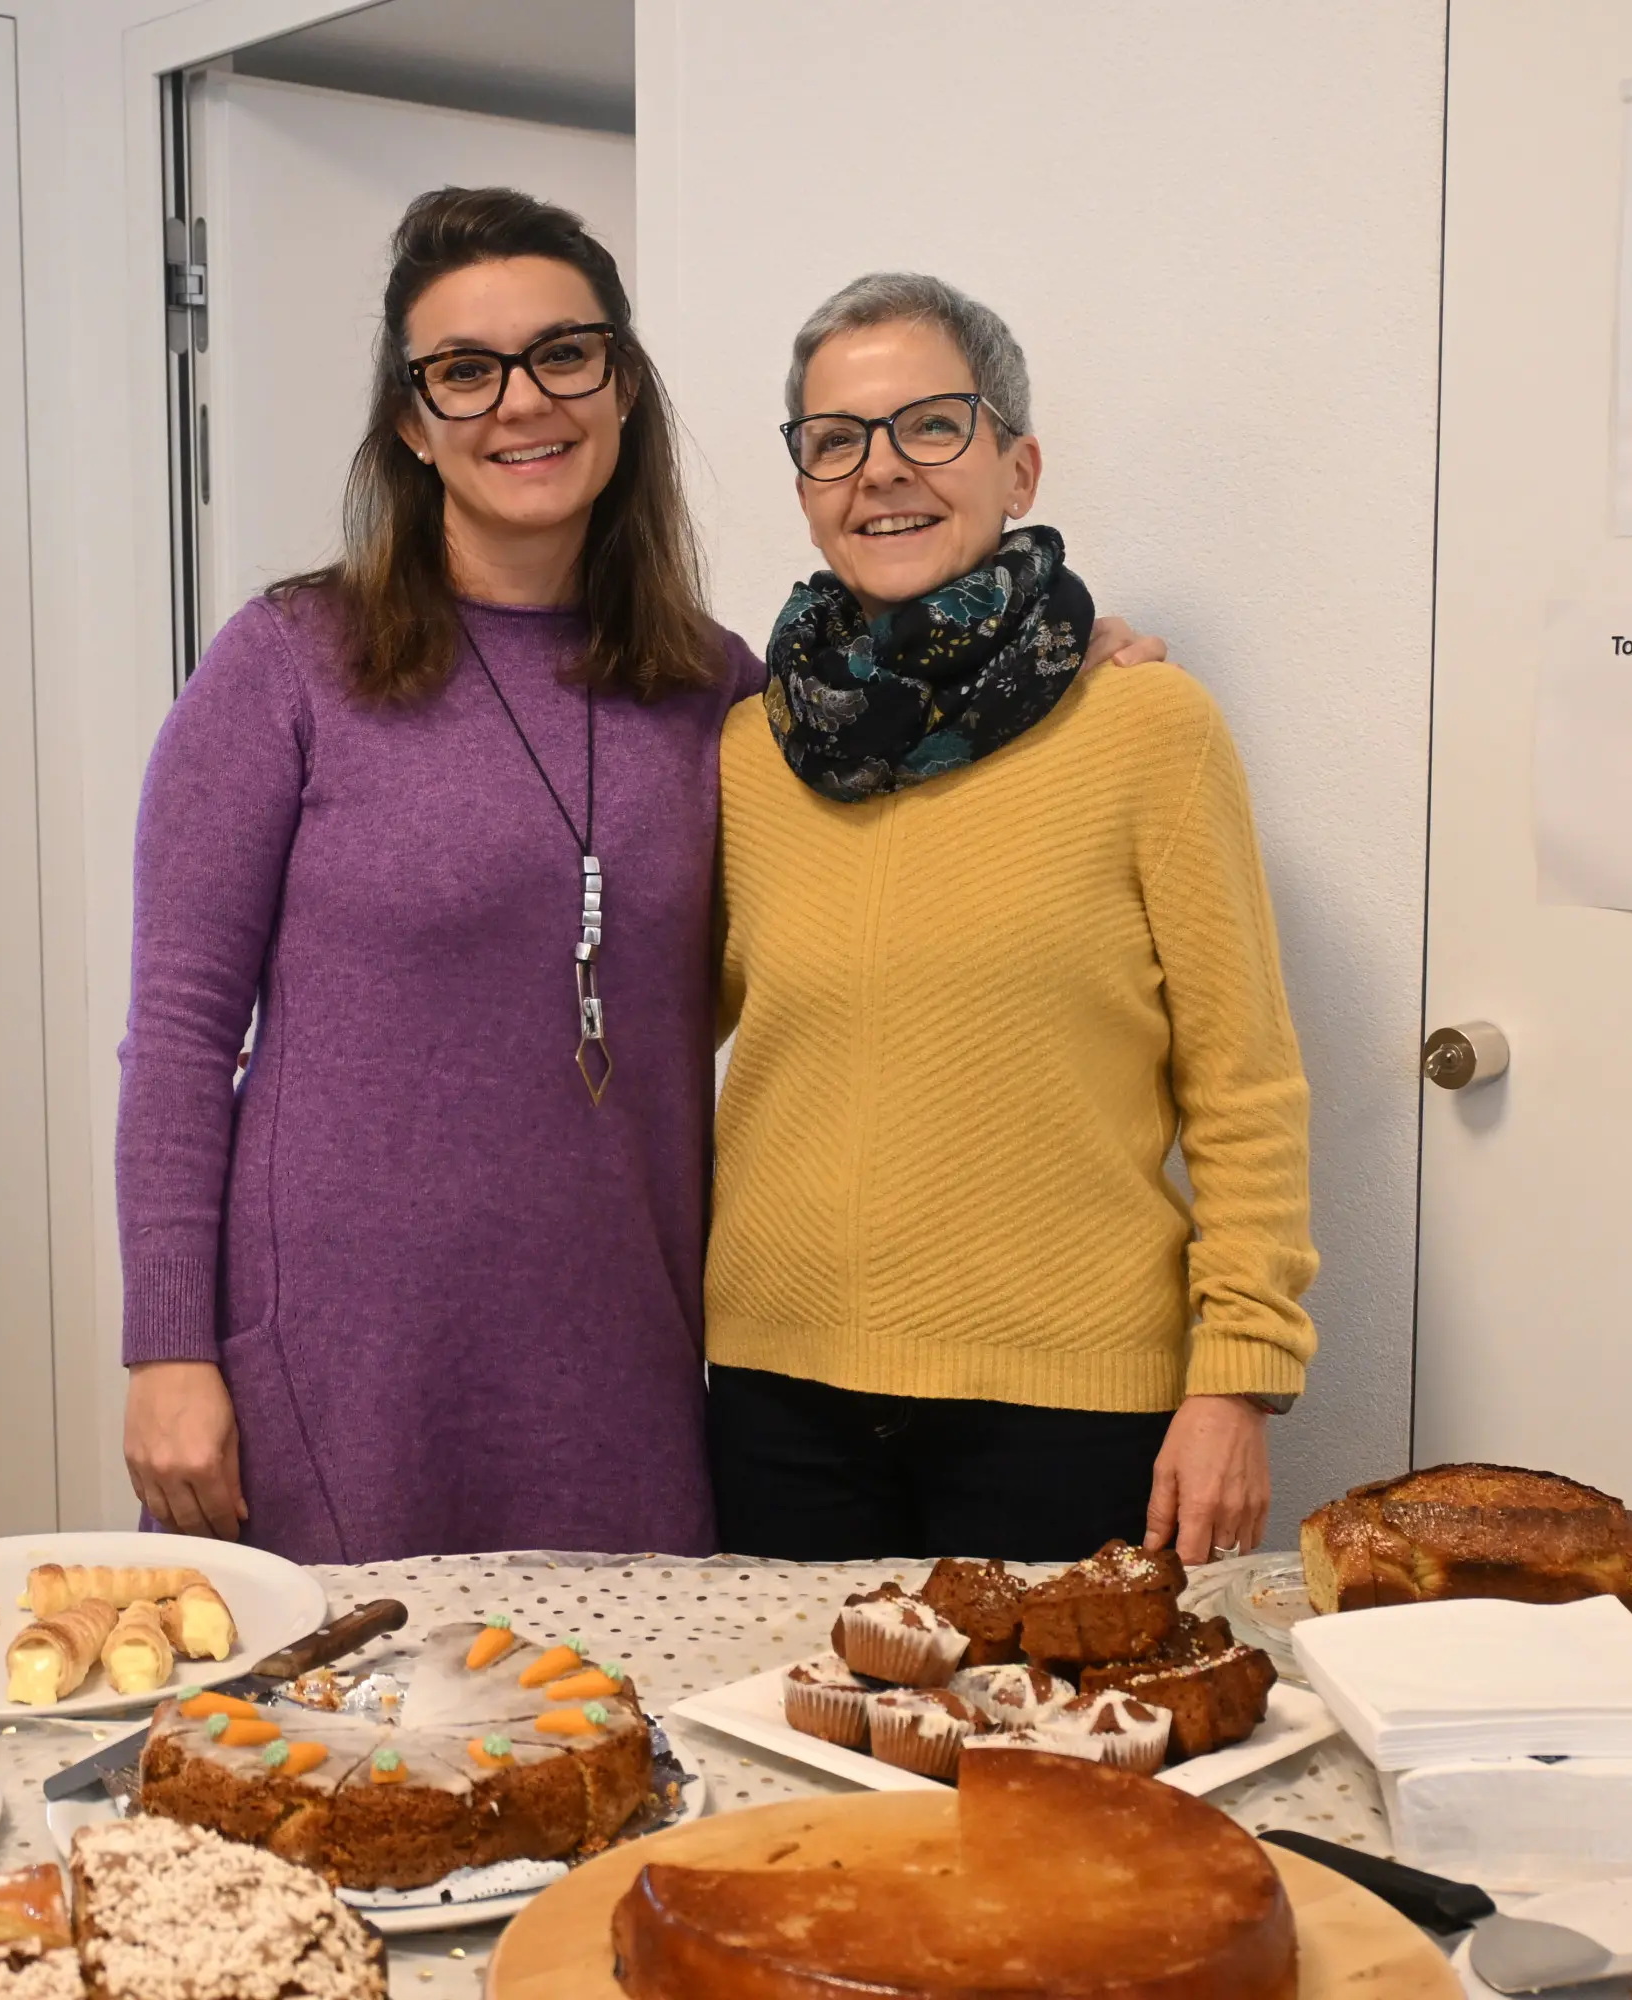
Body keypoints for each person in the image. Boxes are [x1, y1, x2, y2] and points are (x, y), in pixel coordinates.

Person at [113, 187, 742, 1561]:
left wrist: (1062, 658)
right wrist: (167, 1346)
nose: (523, 402)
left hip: (620, 1365)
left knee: (612, 1701)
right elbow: (177, 1034)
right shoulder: (288, 664)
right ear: (411, 422)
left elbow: (897, 821)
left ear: (624, 385)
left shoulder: (717, 688)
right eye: (465, 370)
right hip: (339, 1367)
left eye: (563, 354)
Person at [707, 272, 1318, 1567]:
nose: (881, 471)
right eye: (835, 441)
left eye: (931, 426)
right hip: (779, 1402)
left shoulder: (1146, 725)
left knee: (1057, 1715)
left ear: (1018, 469)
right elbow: (636, 1043)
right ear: (805, 485)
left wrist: (1240, 1375)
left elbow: (1246, 1084)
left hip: (1070, 1413)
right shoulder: (747, 753)